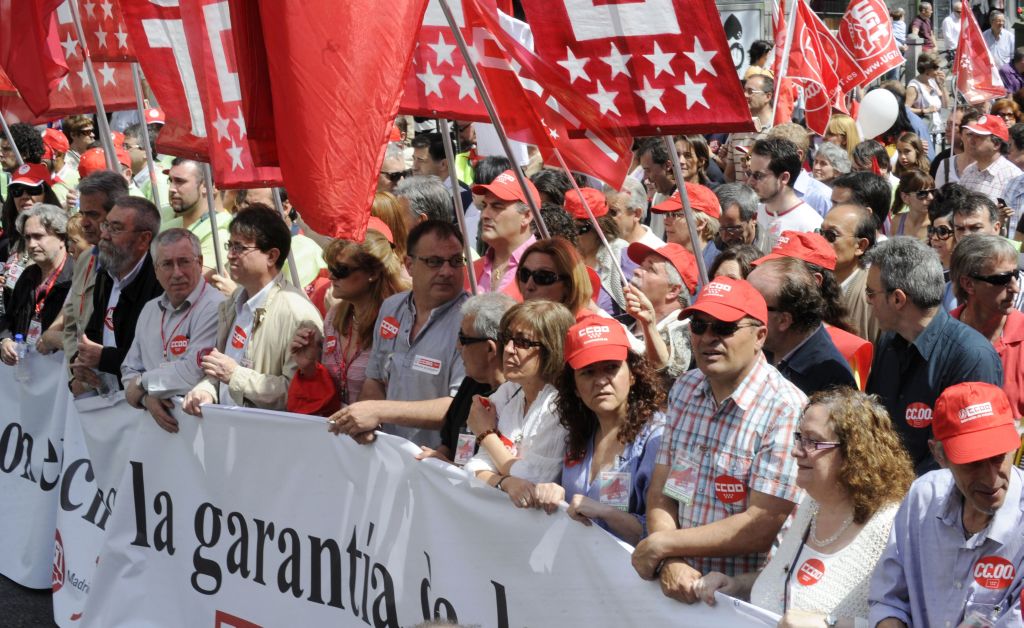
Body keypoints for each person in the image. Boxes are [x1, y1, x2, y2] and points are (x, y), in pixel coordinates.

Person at [632, 276, 806, 603]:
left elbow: (761, 524)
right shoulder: (685, 388)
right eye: (699, 325)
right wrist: (672, 560)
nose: (708, 338)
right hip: (676, 590)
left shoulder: (786, 408)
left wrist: (665, 546)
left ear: (760, 336)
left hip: (738, 600)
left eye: (724, 327)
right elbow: (663, 490)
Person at [695, 388, 915, 625]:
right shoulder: (811, 504)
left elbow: (908, 619)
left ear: (855, 452)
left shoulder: (890, 525)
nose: (796, 451)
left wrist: (829, 625)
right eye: (799, 438)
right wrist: (737, 585)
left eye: (813, 441)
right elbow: (786, 587)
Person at [869, 382, 1024, 626]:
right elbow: (888, 599)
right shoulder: (923, 497)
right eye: (972, 462)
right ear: (939, 455)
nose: (990, 477)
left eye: (998, 457)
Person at [863, 237, 1003, 474]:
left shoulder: (972, 357)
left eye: (870, 293)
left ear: (898, 299)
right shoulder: (888, 341)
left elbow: (962, 458)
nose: (868, 301)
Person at [327, 220, 467, 448]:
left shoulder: (471, 321)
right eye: (434, 262)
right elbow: (375, 378)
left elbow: (459, 406)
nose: (447, 271)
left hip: (439, 466)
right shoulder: (392, 308)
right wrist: (367, 422)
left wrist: (378, 411)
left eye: (456, 261)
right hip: (390, 457)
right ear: (409, 265)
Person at [531, 318, 666, 544]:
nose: (601, 381)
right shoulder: (576, 433)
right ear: (573, 386)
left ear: (633, 374)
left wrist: (606, 513)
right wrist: (554, 492)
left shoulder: (657, 438)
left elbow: (662, 534)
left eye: (612, 368)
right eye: (588, 372)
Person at [182, 203, 323, 412]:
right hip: (229, 432)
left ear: (272, 256)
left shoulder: (298, 314)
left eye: (240, 248)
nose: (230, 255)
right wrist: (206, 391)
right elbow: (220, 372)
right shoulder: (235, 300)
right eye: (230, 246)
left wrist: (235, 376)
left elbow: (298, 393)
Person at [287, 230, 409, 416]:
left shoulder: (396, 323)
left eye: (341, 270)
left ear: (373, 273)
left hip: (379, 438)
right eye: (331, 268)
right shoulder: (334, 317)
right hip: (337, 435)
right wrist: (310, 367)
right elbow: (328, 393)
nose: (331, 277)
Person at [464, 300, 575, 500]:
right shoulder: (510, 391)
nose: (507, 349)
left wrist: (486, 435)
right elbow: (474, 467)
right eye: (506, 339)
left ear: (552, 349)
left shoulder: (560, 405)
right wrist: (505, 482)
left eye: (523, 343)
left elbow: (533, 478)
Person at [120, 229, 225, 433]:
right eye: (167, 264)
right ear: (156, 270)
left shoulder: (215, 306)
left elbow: (191, 374)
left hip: (200, 433)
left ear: (200, 262)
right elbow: (129, 369)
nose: (177, 273)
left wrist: (143, 384)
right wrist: (146, 398)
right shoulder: (150, 309)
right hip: (155, 434)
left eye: (184, 262)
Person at [72, 196, 163, 394]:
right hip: (111, 399)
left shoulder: (160, 284)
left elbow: (156, 360)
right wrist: (80, 363)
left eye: (115, 228)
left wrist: (104, 358)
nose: (104, 235)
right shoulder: (106, 274)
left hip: (147, 403)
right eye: (105, 225)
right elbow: (94, 332)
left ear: (143, 239)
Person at [419, 292, 514, 464]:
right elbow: (447, 444)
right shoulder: (471, 383)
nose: (457, 346)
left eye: (464, 339)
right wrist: (434, 461)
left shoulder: (518, 400)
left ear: (490, 349)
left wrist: (450, 469)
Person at [52, 171, 129, 367]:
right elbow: (71, 325)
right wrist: (77, 367)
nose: (84, 223)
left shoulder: (140, 261)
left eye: (93, 214)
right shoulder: (85, 259)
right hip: (84, 381)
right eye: (82, 213)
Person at [747, 257, 856, 395]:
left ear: (783, 320)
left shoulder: (831, 382)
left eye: (753, 305)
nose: (741, 312)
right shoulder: (757, 346)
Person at [949, 235, 1024, 416]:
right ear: (968, 284)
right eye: (1002, 279)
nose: (1015, 288)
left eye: (1015, 275)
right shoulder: (941, 336)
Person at [0, 204, 73, 360]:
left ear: (61, 238)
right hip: (27, 372)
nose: (32, 244)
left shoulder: (76, 278)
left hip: (61, 374)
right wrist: (4, 340)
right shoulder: (28, 275)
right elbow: (9, 318)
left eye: (39, 236)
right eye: (27, 237)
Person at [624, 242, 697, 385]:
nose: (637, 271)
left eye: (650, 269)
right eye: (641, 265)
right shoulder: (625, 321)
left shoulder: (688, 330)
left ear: (673, 291)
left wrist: (648, 324)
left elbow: (666, 373)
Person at [471, 169, 539, 298]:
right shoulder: (470, 270)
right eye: (485, 206)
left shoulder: (549, 271)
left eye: (497, 206)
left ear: (526, 215)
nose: (485, 215)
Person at [820, 203, 881, 343]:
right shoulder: (812, 281)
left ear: (860, 246)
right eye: (820, 232)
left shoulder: (871, 297)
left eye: (831, 235)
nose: (821, 241)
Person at [163, 158, 231, 277]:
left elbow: (194, 281)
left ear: (207, 185)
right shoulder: (167, 227)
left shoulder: (219, 232)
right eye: (171, 181)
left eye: (180, 181)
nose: (171, 189)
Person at [748, 138, 823, 245]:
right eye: (749, 173)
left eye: (758, 175)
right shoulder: (756, 212)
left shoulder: (810, 226)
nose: (750, 181)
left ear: (784, 178)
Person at [566, 187, 626, 314]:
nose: (572, 235)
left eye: (579, 229)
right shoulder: (565, 254)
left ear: (599, 226)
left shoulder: (620, 254)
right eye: (567, 227)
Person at [767, 124, 834, 218]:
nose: (768, 159)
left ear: (798, 156)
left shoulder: (822, 197)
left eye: (776, 153)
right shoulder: (764, 186)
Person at [651, 183, 721, 271]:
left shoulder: (719, 267)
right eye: (667, 214)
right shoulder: (662, 260)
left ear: (700, 223)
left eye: (676, 215)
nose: (666, 221)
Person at [608, 177, 665, 280]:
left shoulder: (659, 254)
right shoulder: (602, 244)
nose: (606, 218)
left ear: (637, 214)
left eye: (613, 212)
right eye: (603, 210)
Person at [959, 114, 1022, 205]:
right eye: (971, 135)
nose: (971, 140)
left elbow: (1016, 217)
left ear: (996, 144)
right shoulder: (968, 171)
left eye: (979, 136)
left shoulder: (1013, 177)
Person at [722, 75, 774, 183]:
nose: (745, 95)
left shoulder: (778, 128)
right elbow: (729, 174)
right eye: (744, 90)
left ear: (768, 96)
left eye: (751, 91)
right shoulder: (737, 129)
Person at [710, 183, 771, 258]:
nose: (724, 237)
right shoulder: (712, 248)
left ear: (753, 218)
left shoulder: (772, 254)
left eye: (732, 229)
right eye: (719, 228)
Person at [637, 138, 677, 239]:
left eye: (648, 170)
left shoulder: (687, 201)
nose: (645, 177)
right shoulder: (657, 198)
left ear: (667, 165)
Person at [905, 54, 948, 136]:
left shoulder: (932, 81)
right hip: (923, 131)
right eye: (935, 68)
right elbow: (905, 110)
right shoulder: (914, 87)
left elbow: (945, 105)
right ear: (927, 70)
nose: (939, 70)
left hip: (936, 129)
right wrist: (924, 111)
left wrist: (942, 85)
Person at [890, 170, 934, 240]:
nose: (931, 197)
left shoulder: (937, 225)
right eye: (922, 193)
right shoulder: (896, 221)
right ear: (905, 197)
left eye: (932, 192)